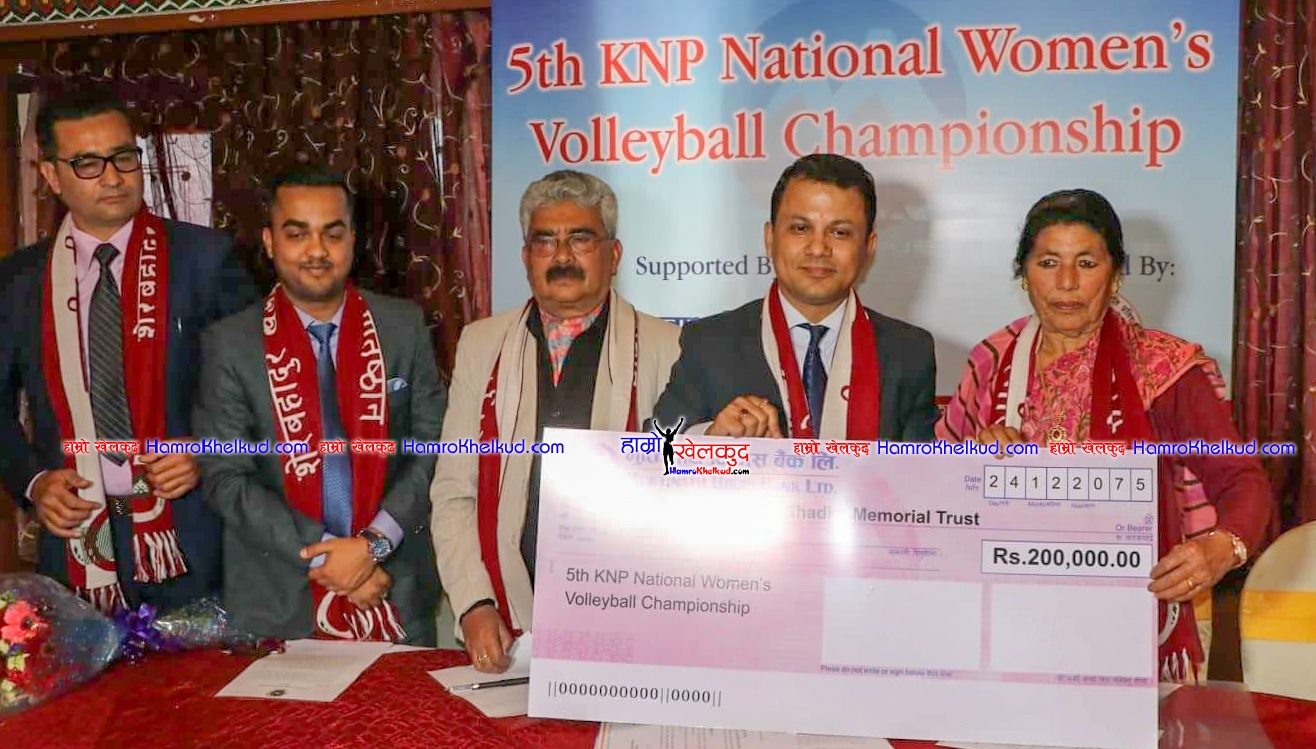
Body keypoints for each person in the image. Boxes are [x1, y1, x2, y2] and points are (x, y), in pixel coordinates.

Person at [935, 188, 1275, 682]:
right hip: (1003, 619)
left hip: (1139, 617)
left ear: (1115, 276)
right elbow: (935, 488)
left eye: (1087, 263)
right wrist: (973, 462)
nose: (1067, 282)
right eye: (1048, 262)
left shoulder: (1164, 369)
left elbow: (1243, 480)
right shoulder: (990, 362)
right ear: (1023, 274)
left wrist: (1222, 548)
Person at [0, 86, 258, 612]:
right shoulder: (18, 281)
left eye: (123, 156)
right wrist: (33, 481)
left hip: (193, 532)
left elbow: (262, 384)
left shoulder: (206, 260)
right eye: (88, 163)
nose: (113, 177)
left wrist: (206, 451)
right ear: (52, 176)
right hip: (75, 537)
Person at [431, 169, 681, 672]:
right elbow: (455, 490)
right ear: (526, 257)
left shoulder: (667, 349)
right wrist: (474, 603)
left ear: (613, 254)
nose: (562, 256)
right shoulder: (482, 345)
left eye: (581, 239)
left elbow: (683, 500)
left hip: (630, 623)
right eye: (545, 241)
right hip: (507, 625)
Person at [193, 164, 445, 645]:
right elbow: (225, 476)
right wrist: (332, 556)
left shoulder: (403, 326)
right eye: (297, 234)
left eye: (332, 233)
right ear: (269, 242)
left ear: (353, 239)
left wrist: (373, 545)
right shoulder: (229, 344)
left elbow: (434, 446)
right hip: (280, 605)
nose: (316, 251)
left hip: (393, 592)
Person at [652, 154, 937, 441]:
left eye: (840, 232)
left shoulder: (908, 353)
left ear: (868, 247)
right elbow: (652, 447)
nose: (818, 248)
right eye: (800, 228)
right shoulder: (710, 343)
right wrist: (711, 438)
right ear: (770, 238)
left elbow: (927, 465)